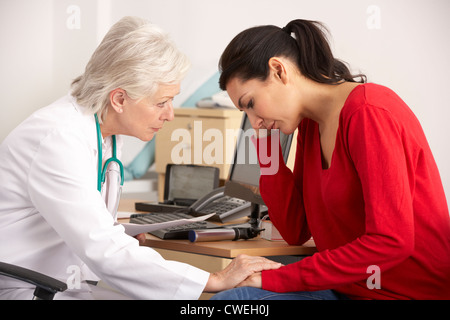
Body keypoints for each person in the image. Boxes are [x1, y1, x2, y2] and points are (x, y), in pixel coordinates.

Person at [0, 16, 282, 300]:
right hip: (25, 288)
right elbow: (101, 247)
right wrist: (215, 279)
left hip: (62, 282)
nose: (170, 114)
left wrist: (118, 234)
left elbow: (88, 227)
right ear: (119, 99)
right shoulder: (58, 138)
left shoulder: (104, 135)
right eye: (161, 102)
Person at [212, 19, 450, 300]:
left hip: (400, 294)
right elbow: (295, 230)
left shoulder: (368, 113)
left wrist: (275, 278)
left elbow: (391, 242)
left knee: (235, 299)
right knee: (235, 299)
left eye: (251, 103)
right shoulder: (311, 125)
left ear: (278, 70)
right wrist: (268, 151)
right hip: (347, 290)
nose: (254, 121)